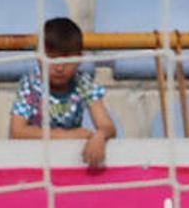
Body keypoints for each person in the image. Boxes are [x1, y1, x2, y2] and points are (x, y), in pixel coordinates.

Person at [9, 17, 116, 172]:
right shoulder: (30, 84)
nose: (59, 68)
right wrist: (69, 136)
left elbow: (108, 126)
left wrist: (99, 136)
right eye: (52, 59)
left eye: (67, 59)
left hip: (69, 162)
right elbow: (17, 132)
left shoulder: (83, 83)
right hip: (33, 161)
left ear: (80, 58)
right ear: (39, 58)